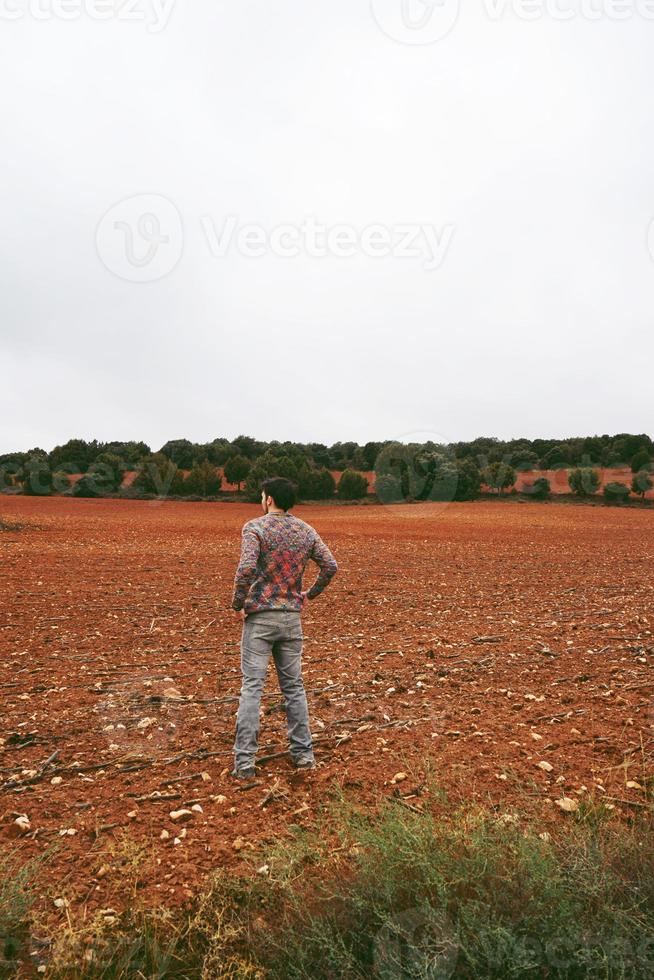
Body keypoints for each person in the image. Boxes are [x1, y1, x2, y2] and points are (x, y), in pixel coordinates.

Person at [230, 476, 338, 779]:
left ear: (268, 499)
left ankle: (245, 764)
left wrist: (238, 603)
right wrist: (309, 595)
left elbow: (247, 568)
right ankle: (304, 756)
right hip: (292, 618)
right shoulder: (306, 530)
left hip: (261, 618)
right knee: (294, 688)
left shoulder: (255, 527)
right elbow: (330, 565)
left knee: (252, 687)